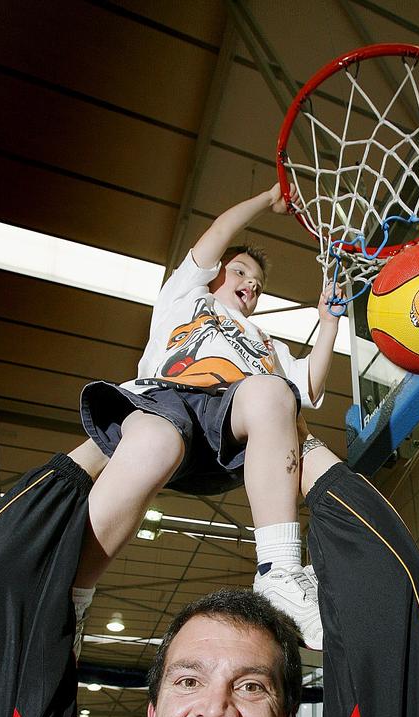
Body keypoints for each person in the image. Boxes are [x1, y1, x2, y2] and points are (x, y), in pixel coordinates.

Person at [0, 428, 419, 717]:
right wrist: (123, 429)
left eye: (252, 687)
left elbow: (390, 602)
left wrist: (286, 430)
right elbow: (2, 595)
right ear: (153, 716)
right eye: (188, 680)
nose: (216, 708)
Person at [72, 182, 344, 650]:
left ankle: (279, 572)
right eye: (240, 273)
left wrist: (330, 324)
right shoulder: (186, 298)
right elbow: (222, 229)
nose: (251, 287)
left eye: (258, 287)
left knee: (275, 393)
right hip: (167, 399)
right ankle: (72, 601)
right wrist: (267, 200)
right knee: (152, 446)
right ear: (216, 274)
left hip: (227, 425)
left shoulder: (265, 342)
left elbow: (311, 387)